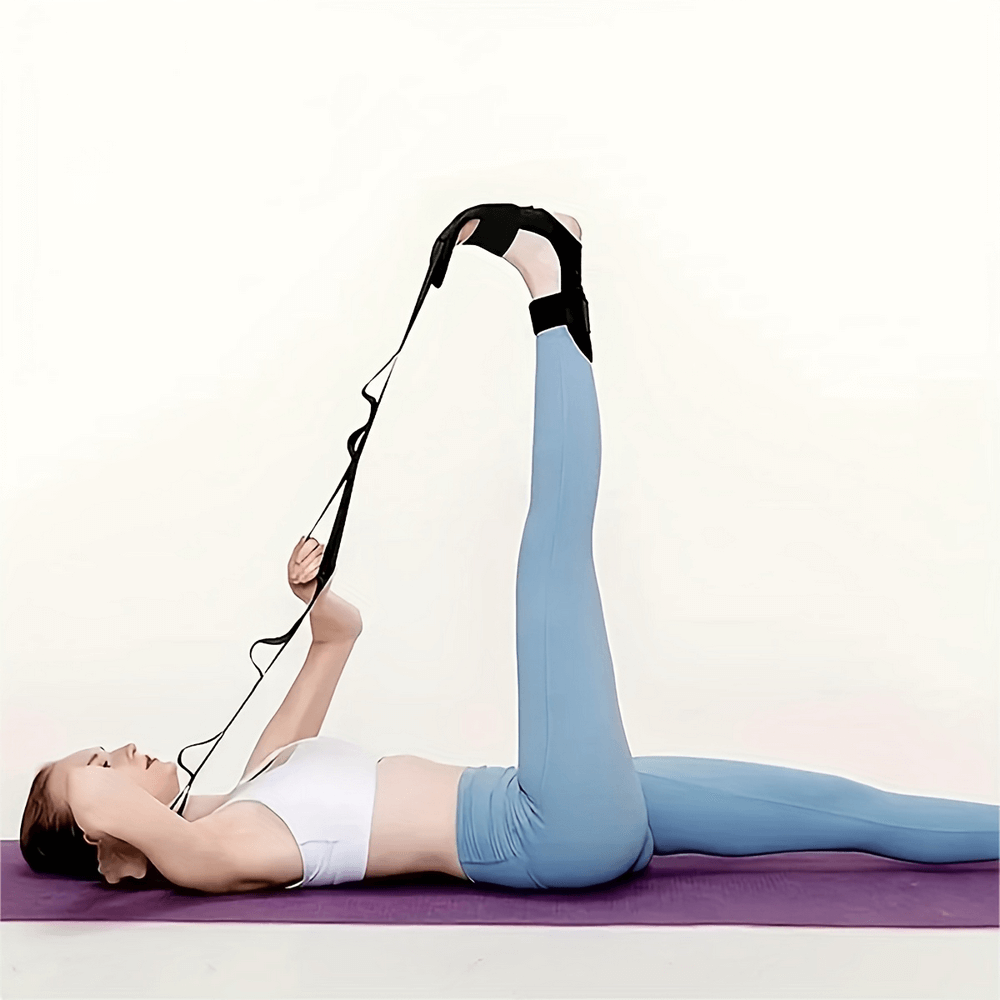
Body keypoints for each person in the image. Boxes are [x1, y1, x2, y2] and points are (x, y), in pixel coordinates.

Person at [20, 205, 1000, 893]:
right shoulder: (222, 851)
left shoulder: (261, 779)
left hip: (565, 796)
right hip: (547, 827)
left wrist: (314, 595)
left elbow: (338, 638)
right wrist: (94, 818)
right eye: (99, 766)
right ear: (105, 835)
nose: (121, 750)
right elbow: (130, 826)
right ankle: (551, 283)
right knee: (551, 551)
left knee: (843, 807)